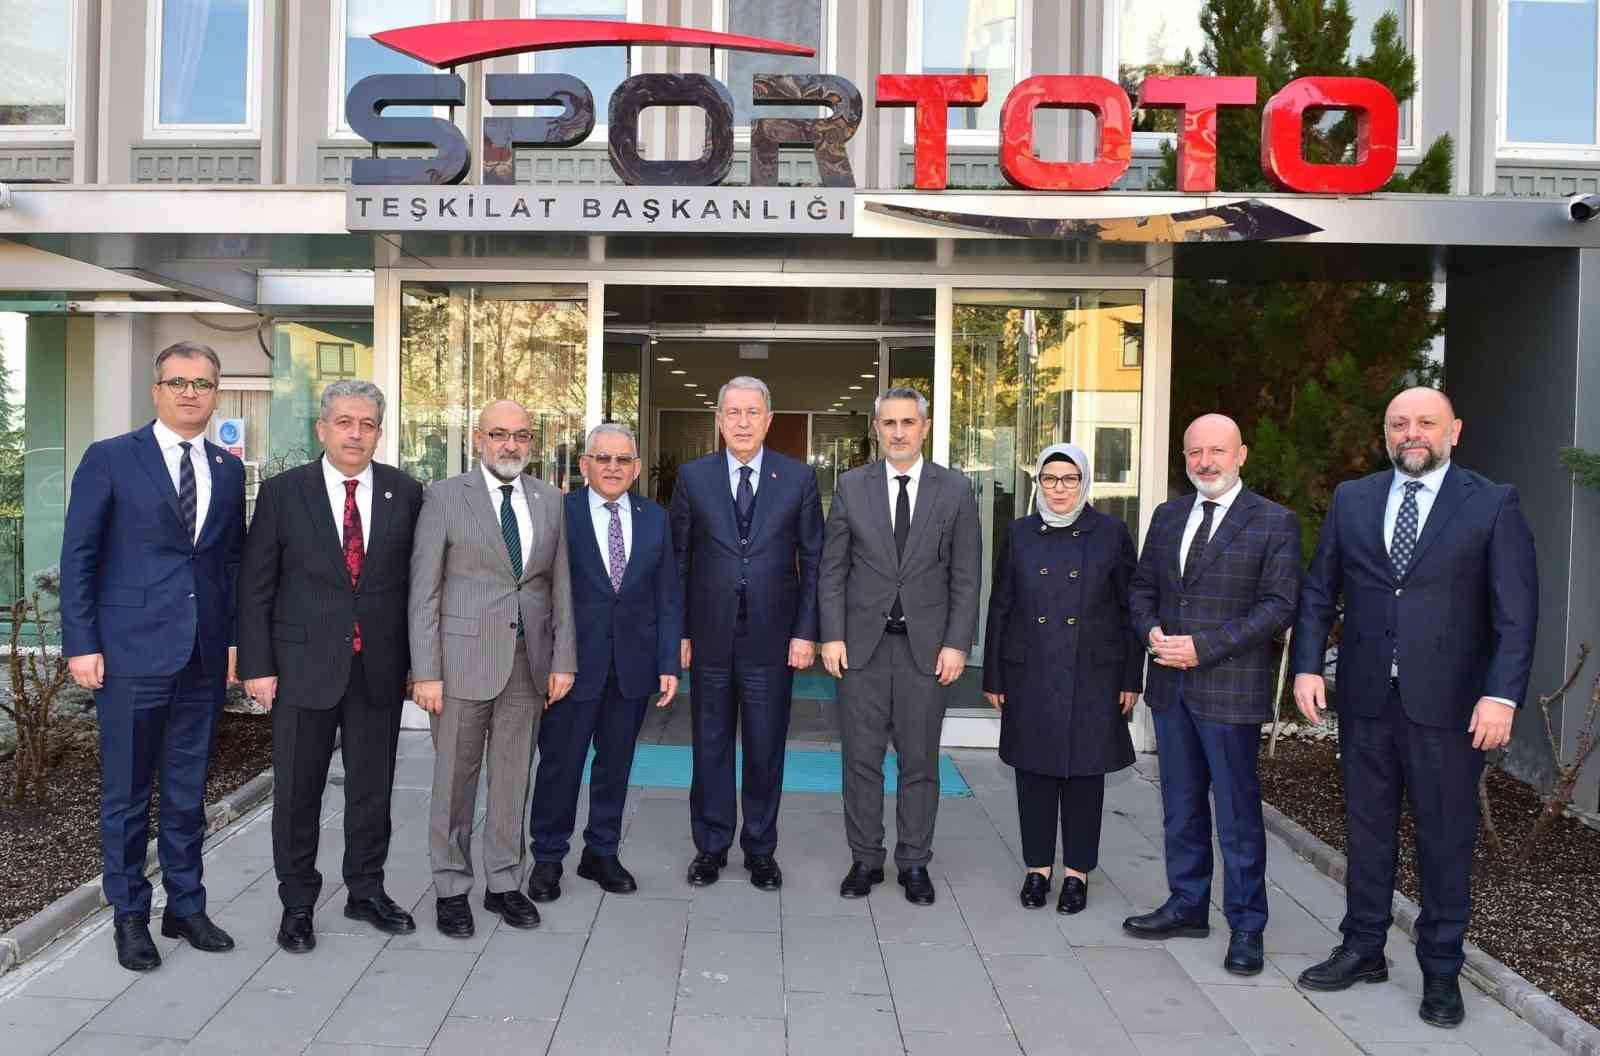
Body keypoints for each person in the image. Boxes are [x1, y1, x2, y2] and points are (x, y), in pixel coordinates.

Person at [1291, 387, 1537, 1029]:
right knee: (1366, 829)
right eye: (1399, 423)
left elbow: (1516, 613)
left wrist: (1501, 695)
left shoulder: (1492, 503)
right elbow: (1319, 590)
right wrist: (1307, 665)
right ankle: (1363, 948)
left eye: (1426, 422)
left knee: (1444, 839)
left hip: (1452, 707)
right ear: (1385, 434)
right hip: (1368, 699)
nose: (1412, 433)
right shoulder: (1354, 499)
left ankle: (1441, 970)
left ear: (1455, 431)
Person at [59, 341, 246, 972]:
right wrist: (81, 643)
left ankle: (186, 906)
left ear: (215, 393)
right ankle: (130, 915)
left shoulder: (227, 469)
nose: (191, 393)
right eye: (178, 382)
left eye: (203, 383)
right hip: (129, 654)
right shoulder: (111, 458)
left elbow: (228, 563)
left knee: (188, 792)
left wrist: (233, 642)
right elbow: (79, 555)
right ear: (156, 390)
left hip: (201, 656)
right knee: (128, 794)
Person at [237, 380, 425, 954]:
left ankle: (365, 890)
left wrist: (419, 664)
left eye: (367, 424)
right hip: (300, 670)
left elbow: (417, 587)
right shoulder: (283, 493)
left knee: (372, 790)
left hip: (378, 670)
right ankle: (297, 903)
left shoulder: (404, 492)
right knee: (298, 793)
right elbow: (256, 585)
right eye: (344, 422)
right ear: (322, 429)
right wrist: (257, 666)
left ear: (379, 433)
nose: (355, 433)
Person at [1125, 413, 1300, 977]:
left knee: (1237, 815)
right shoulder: (1168, 515)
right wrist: (1150, 631)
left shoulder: (1273, 521)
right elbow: (1142, 588)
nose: (1205, 462)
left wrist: (1204, 648)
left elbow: (1278, 606)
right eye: (1195, 452)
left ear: (1240, 454)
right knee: (1180, 806)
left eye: (1217, 451)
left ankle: (1247, 926)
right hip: (1171, 688)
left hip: (1229, 690)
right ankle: (1187, 904)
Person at [409, 399, 576, 937]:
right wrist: (425, 671)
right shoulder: (443, 497)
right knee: (454, 783)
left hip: (528, 665)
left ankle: (503, 882)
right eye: (499, 434)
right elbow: (424, 590)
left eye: (521, 435)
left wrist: (563, 660)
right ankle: (450, 887)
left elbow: (560, 587)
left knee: (512, 780)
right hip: (459, 666)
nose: (511, 445)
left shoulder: (549, 500)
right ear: (478, 439)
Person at [818, 387, 980, 905]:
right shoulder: (852, 486)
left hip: (926, 653)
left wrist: (957, 643)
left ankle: (914, 862)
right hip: (861, 651)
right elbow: (832, 570)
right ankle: (865, 859)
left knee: (920, 762)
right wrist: (831, 635)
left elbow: (966, 576)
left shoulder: (954, 489)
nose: (899, 432)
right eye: (889, 423)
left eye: (908, 422)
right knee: (860, 761)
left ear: (925, 428)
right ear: (876, 429)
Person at [670, 376, 823, 890]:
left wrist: (806, 632)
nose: (742, 422)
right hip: (710, 638)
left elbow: (814, 560)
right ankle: (710, 846)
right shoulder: (693, 478)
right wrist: (680, 632)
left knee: (765, 747)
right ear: (718, 420)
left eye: (752, 412)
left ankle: (760, 849)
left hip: (772, 641)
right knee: (710, 745)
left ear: (768, 420)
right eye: (732, 412)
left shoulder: (798, 479)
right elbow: (679, 560)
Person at [981, 443, 1142, 913]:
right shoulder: (1019, 533)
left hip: (1093, 673)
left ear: (1084, 483)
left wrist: (1131, 676)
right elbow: (1001, 605)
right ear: (1038, 484)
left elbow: (1129, 609)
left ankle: (1077, 874)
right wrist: (994, 675)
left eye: (1069, 479)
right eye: (1049, 479)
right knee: (1032, 772)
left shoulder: (1110, 533)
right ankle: (1037, 870)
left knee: (1085, 777)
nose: (1059, 489)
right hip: (1029, 671)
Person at [526, 423, 683, 902]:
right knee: (561, 765)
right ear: (585, 465)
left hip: (632, 668)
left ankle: (601, 852)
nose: (613, 467)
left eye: (623, 460)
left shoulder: (655, 518)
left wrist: (668, 662)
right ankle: (548, 857)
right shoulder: (560, 513)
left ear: (636, 469)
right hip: (571, 667)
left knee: (616, 764)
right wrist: (549, 659)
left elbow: (667, 594)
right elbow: (540, 591)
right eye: (603, 458)